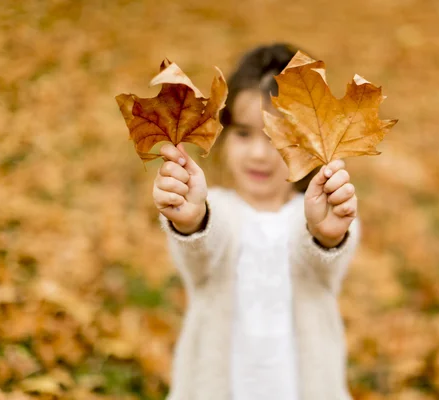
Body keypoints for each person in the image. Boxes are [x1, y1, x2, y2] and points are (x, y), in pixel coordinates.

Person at [152, 43, 360, 400]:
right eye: (244, 133)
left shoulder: (318, 214)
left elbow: (327, 261)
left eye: (276, 138)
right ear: (224, 133)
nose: (259, 154)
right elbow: (201, 254)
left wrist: (324, 236)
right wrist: (192, 222)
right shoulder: (214, 210)